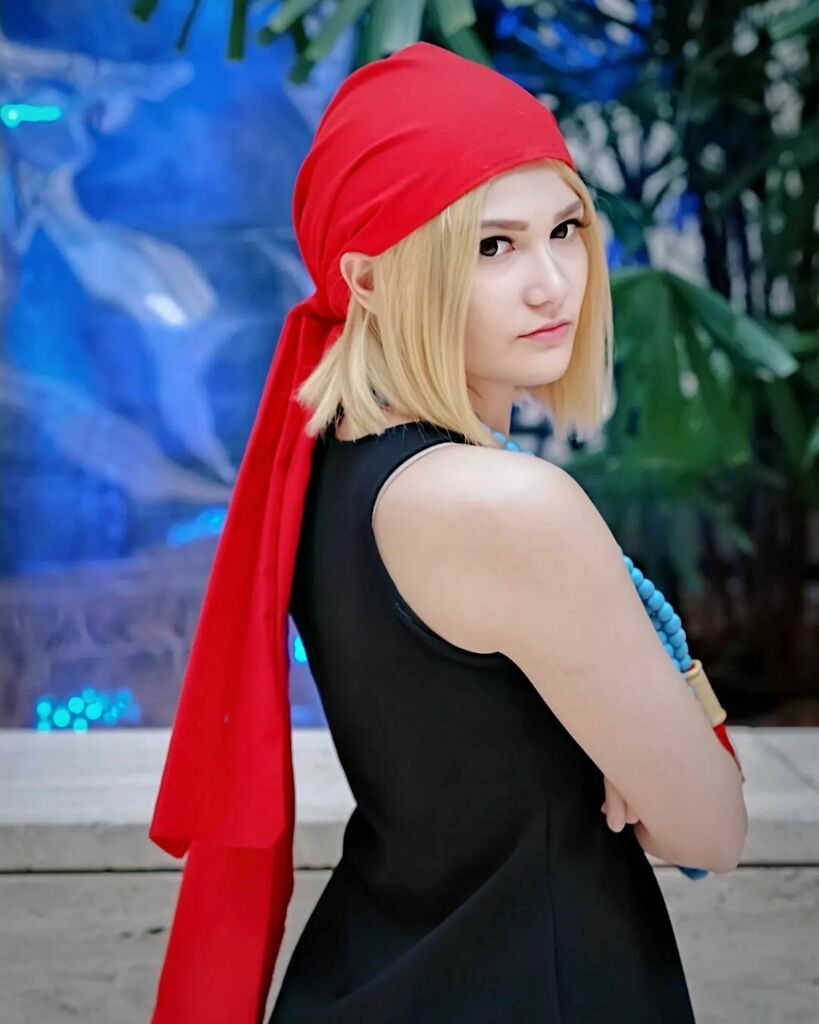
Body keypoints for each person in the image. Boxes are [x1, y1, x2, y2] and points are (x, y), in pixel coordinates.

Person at [148, 42, 747, 1023]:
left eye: (565, 229)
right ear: (369, 280)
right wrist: (653, 721)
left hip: (375, 967)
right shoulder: (502, 504)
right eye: (491, 247)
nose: (553, 283)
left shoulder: (324, 466)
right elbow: (711, 830)